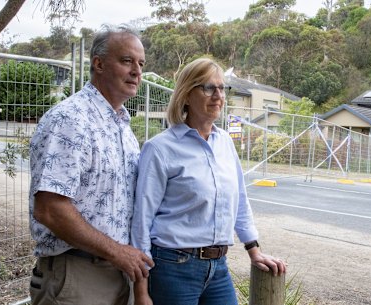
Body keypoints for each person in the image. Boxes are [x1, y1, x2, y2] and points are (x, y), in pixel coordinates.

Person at [131, 57, 287, 305]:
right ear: (186, 94)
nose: (218, 95)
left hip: (218, 267)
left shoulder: (225, 142)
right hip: (173, 267)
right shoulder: (160, 148)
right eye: (208, 88)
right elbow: (141, 220)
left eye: (222, 88)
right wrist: (140, 290)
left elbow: (240, 202)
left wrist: (254, 251)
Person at [28, 24, 154, 305]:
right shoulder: (71, 120)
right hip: (78, 277)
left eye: (141, 64)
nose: (137, 71)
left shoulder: (123, 127)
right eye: (126, 61)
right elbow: (49, 209)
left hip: (119, 274)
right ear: (98, 64)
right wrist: (116, 252)